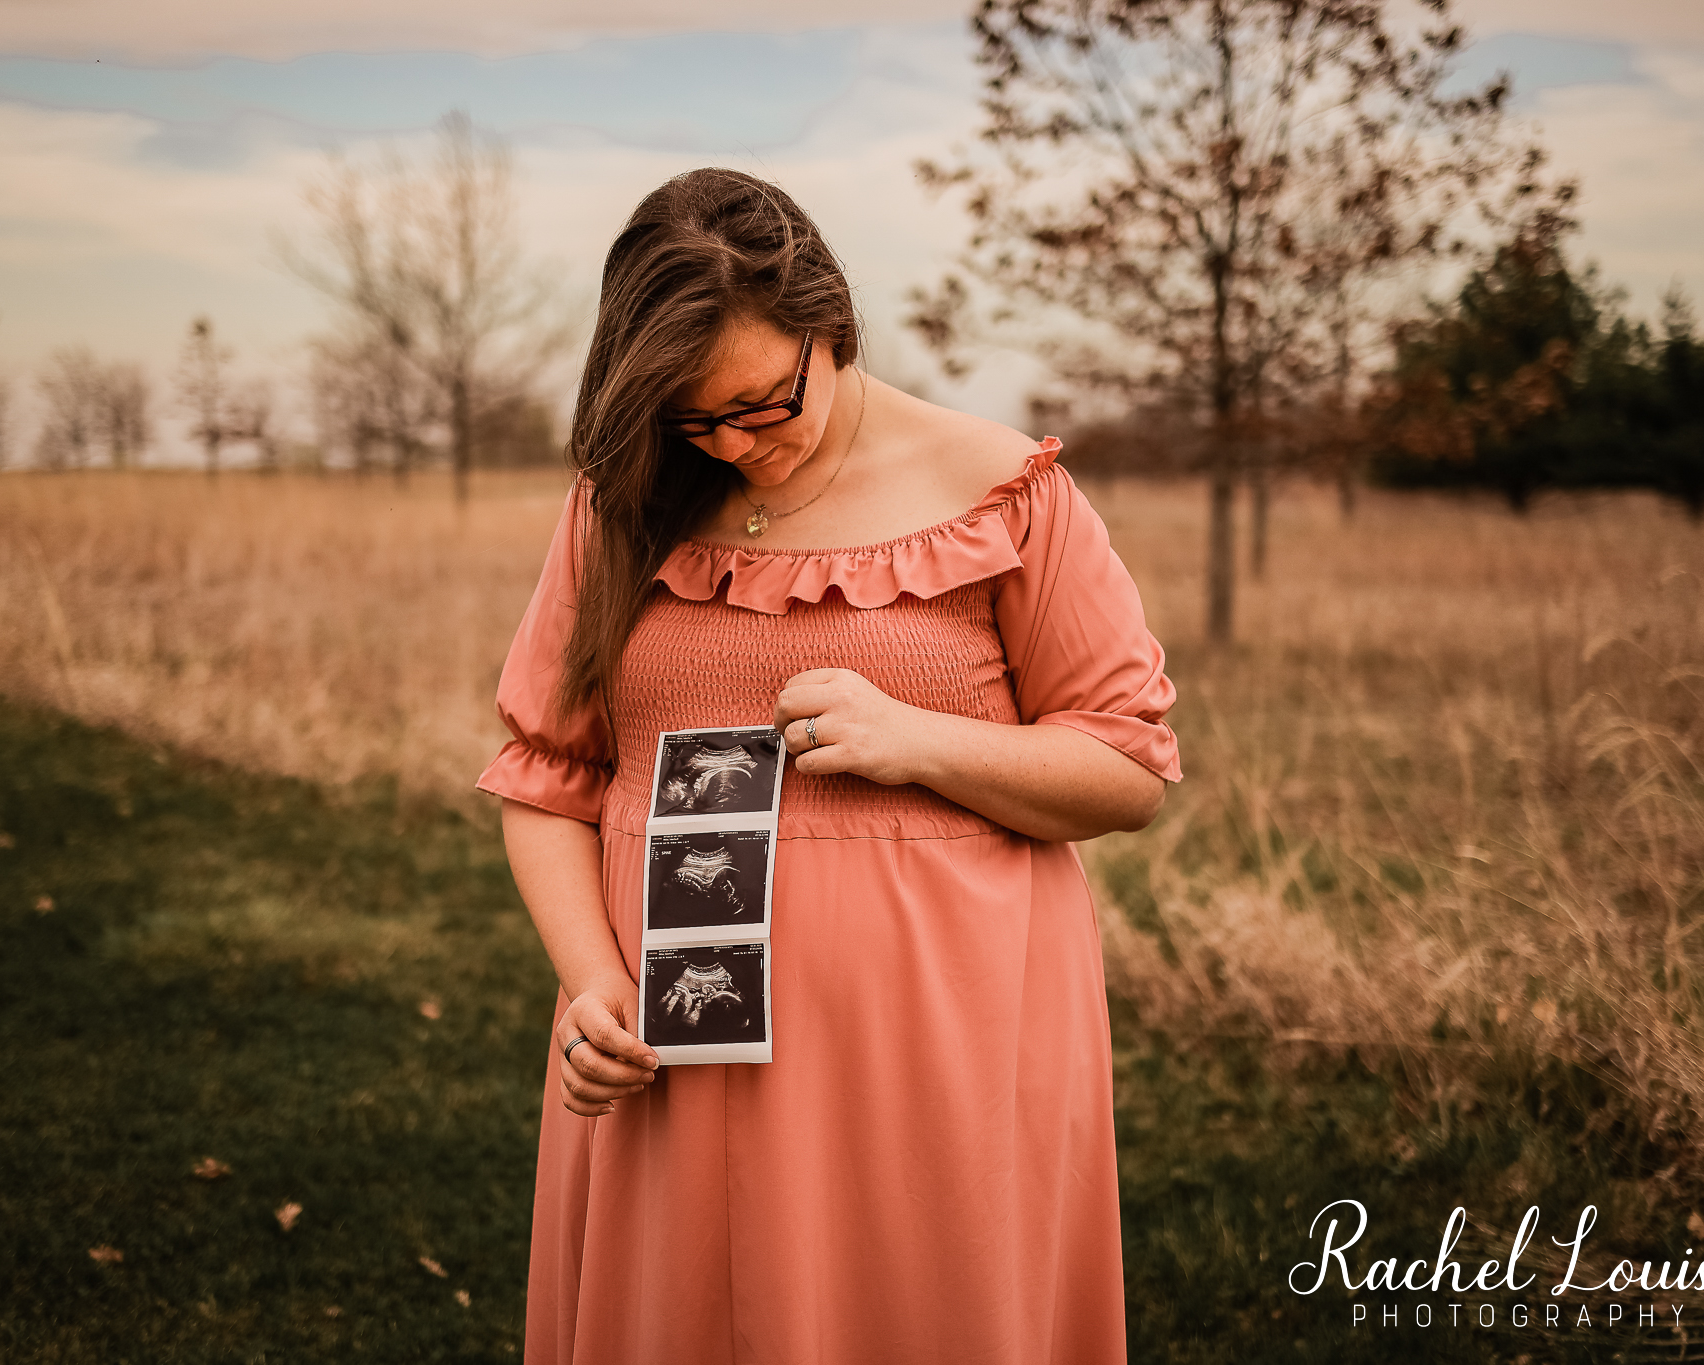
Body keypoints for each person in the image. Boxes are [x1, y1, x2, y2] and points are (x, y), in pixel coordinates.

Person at [475, 167, 1182, 1365]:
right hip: (673, 1054)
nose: (735, 446)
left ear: (829, 324)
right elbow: (545, 774)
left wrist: (918, 742)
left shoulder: (1004, 492)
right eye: (693, 420)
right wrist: (593, 985)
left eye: (761, 403)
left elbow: (1126, 770)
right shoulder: (627, 498)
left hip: (933, 1061)